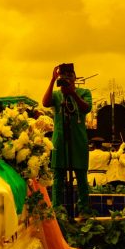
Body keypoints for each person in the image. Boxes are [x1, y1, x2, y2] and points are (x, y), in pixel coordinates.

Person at [42, 63, 93, 217]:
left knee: (82, 177)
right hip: (59, 140)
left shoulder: (84, 92)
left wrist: (73, 94)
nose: (67, 79)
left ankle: (84, 211)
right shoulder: (57, 95)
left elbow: (86, 108)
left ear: (75, 77)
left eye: (70, 75)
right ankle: (57, 212)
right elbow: (45, 103)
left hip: (78, 141)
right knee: (58, 177)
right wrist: (52, 80)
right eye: (64, 76)